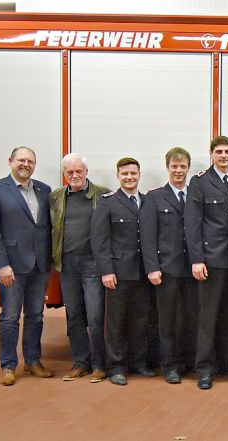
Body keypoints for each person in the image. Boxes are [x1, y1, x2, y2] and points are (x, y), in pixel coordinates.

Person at [0, 146, 53, 386]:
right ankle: (8, 366)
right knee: (10, 317)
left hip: (39, 265)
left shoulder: (44, 190)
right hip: (11, 266)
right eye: (21, 160)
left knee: (36, 315)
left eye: (30, 161)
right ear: (10, 161)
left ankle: (33, 361)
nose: (26, 164)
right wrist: (1, 265)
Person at [185, 135, 228, 390]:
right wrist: (197, 259)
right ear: (211, 154)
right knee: (208, 316)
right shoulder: (200, 181)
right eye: (219, 151)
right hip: (212, 260)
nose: (223, 156)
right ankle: (205, 368)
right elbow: (193, 223)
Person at [50, 153, 110, 384]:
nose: (74, 176)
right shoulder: (56, 197)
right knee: (74, 315)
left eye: (79, 171)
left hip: (93, 263)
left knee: (95, 316)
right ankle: (80, 363)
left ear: (86, 172)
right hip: (67, 264)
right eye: (69, 172)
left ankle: (99, 365)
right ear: (64, 174)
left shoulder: (102, 195)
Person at [141, 147, 198, 385]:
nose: (178, 171)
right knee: (168, 321)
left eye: (182, 166)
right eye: (174, 166)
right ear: (167, 168)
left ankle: (186, 360)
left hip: (193, 270)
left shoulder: (195, 194)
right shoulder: (155, 197)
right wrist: (152, 267)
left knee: (190, 318)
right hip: (167, 269)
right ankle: (170, 365)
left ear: (187, 168)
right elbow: (147, 235)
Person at [92, 157, 150, 386]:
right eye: (125, 174)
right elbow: (99, 241)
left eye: (133, 173)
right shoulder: (107, 202)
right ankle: (115, 366)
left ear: (139, 175)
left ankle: (138, 363)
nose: (129, 177)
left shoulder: (146, 201)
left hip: (142, 271)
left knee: (140, 320)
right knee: (115, 322)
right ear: (118, 176)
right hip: (117, 272)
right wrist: (106, 271)